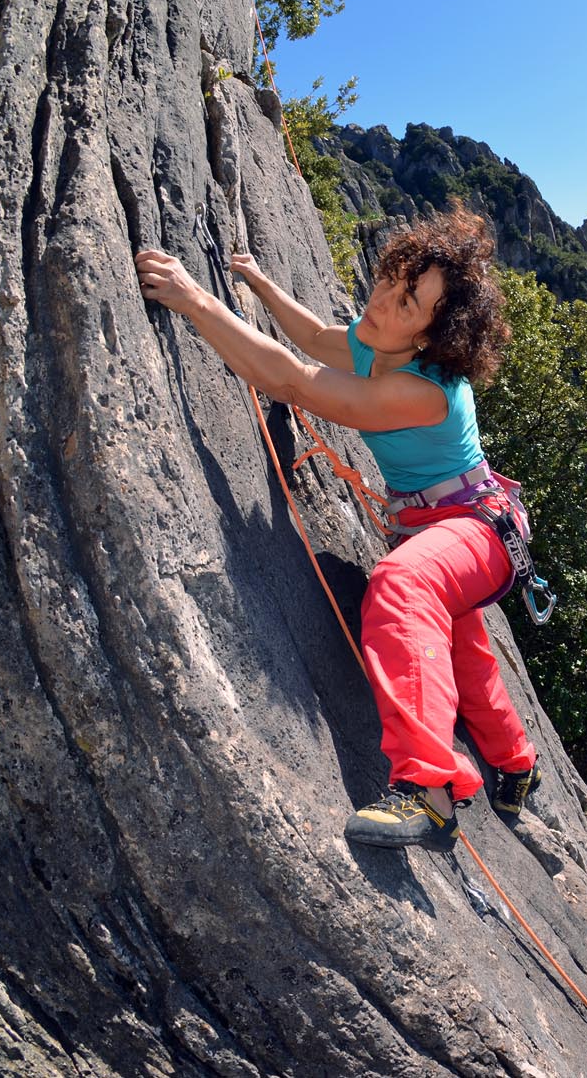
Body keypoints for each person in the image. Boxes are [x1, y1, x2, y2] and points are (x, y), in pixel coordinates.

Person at [136, 203, 540, 852]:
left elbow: (294, 380)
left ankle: (429, 793)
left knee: (405, 589)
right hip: (444, 525)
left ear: (434, 337)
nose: (384, 300)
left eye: (409, 302)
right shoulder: (382, 344)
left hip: (477, 529)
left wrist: (194, 300)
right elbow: (320, 339)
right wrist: (261, 286)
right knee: (463, 651)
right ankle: (517, 766)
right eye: (392, 281)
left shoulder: (423, 388)